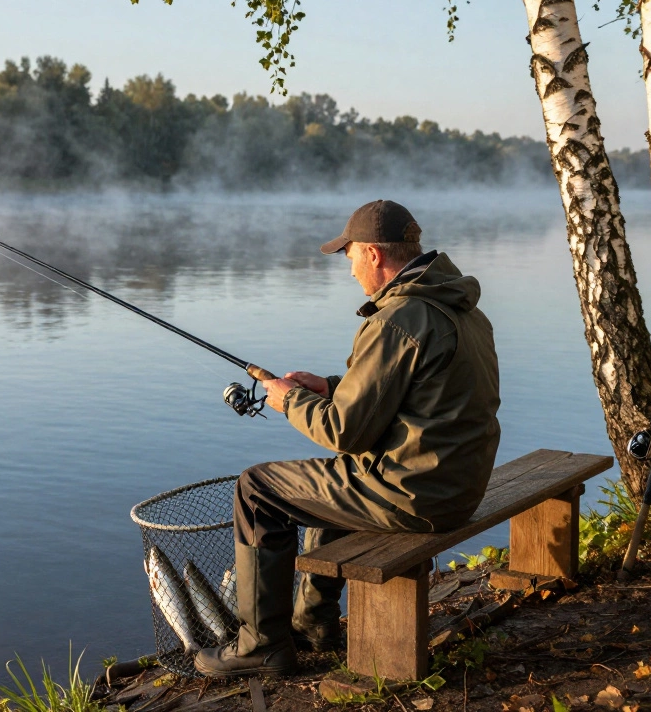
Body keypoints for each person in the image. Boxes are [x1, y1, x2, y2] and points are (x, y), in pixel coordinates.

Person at [195, 199, 502, 678]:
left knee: (257, 489)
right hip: (455, 484)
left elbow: (343, 431)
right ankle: (314, 623)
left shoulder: (396, 321)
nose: (349, 266)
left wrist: (286, 400)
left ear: (374, 255)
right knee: (333, 480)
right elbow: (422, 397)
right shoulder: (458, 308)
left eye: (350, 254)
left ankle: (261, 647)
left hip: (417, 496)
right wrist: (332, 387)